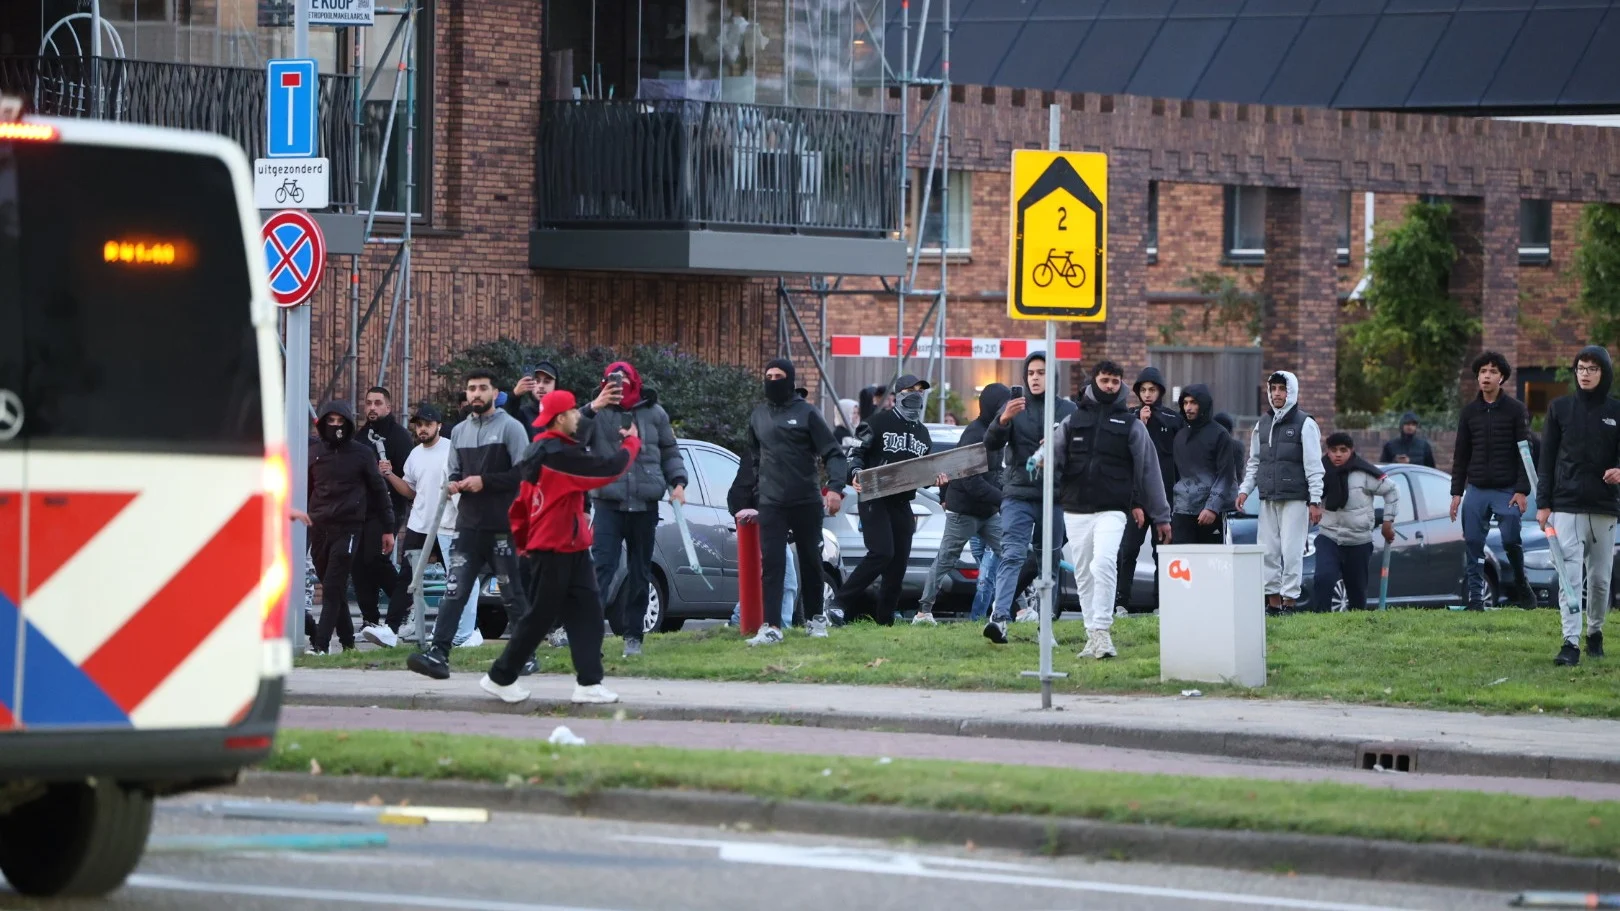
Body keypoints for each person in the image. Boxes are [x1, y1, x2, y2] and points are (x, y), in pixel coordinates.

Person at [481, 391, 640, 705]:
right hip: (555, 545)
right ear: (560, 418)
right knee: (541, 616)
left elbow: (521, 505)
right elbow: (607, 470)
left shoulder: (539, 450)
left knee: (590, 612)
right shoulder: (558, 455)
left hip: (568, 546)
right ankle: (500, 676)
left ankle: (589, 683)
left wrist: (525, 541)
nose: (578, 416)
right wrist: (632, 443)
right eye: (573, 412)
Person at [406, 370, 536, 680]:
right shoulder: (460, 432)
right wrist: (454, 483)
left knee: (511, 592)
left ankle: (525, 654)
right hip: (467, 527)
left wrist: (485, 482)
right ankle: (438, 654)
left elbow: (526, 472)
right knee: (455, 589)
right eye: (471, 388)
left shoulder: (511, 428)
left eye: (482, 388)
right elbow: (453, 469)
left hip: (503, 526)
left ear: (495, 392)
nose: (475, 393)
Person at [1049, 361, 1171, 659]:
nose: (1110, 386)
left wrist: (1161, 515)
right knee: (1083, 571)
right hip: (1076, 508)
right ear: (1095, 381)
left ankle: (1103, 631)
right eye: (1105, 380)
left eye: (1115, 382)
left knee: (1103, 562)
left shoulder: (1131, 424)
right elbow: (1052, 458)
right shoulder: (1073, 420)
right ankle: (1092, 634)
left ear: (1121, 385)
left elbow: (1149, 469)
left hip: (1114, 509)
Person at [727, 358, 849, 645]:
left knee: (810, 561)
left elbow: (833, 452)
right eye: (768, 375)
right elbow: (754, 460)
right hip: (771, 502)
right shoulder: (758, 416)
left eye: (778, 375)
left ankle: (816, 620)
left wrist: (835, 488)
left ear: (790, 379)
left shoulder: (806, 413)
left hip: (805, 499)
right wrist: (753, 496)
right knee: (772, 564)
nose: (772, 380)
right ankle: (771, 627)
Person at [578, 361, 687, 657]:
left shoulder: (655, 413)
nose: (620, 382)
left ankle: (634, 636)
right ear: (604, 382)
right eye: (614, 378)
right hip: (608, 503)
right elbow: (572, 436)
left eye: (625, 377)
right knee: (601, 569)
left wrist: (678, 482)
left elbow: (669, 451)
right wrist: (593, 406)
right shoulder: (597, 411)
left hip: (645, 504)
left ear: (635, 380)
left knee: (640, 572)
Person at [982, 351, 1077, 642]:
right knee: (1011, 554)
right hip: (1017, 495)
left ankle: (1045, 626)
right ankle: (999, 619)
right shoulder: (1014, 406)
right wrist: (1003, 420)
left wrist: (1060, 446)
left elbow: (1081, 451)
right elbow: (991, 443)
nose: (1035, 378)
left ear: (1054, 377)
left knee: (1048, 560)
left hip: (1054, 497)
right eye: (1031, 373)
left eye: (1041, 373)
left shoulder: (1067, 410)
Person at [1536, 346, 1620, 665]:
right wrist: (1543, 505)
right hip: (1566, 505)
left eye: (1592, 369)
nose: (1585, 374)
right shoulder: (1559, 409)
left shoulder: (1617, 411)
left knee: (1599, 581)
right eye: (1581, 368)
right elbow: (1546, 460)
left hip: (1604, 507)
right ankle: (1569, 643)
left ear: (1604, 373)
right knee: (1569, 577)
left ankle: (1594, 633)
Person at [840, 374, 937, 626]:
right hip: (875, 496)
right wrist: (855, 473)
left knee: (898, 566)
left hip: (903, 502)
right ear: (898, 394)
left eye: (920, 390)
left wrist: (938, 481)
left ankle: (884, 623)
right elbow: (855, 453)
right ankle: (838, 604)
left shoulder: (924, 434)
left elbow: (924, 475)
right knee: (882, 552)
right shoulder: (877, 422)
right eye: (911, 389)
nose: (916, 393)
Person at [305, 401, 395, 655]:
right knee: (332, 585)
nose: (335, 426)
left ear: (348, 423)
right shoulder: (313, 453)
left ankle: (321, 645)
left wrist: (388, 528)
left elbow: (379, 491)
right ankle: (347, 643)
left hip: (349, 527)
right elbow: (307, 488)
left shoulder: (362, 453)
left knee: (333, 586)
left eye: (339, 421)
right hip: (319, 526)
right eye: (330, 421)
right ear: (322, 424)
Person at [916, 384, 1009, 625]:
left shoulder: (998, 431)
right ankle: (923, 612)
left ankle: (1016, 609)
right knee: (946, 558)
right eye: (1002, 407)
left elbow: (996, 471)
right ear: (990, 407)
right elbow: (970, 482)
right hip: (964, 512)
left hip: (987, 512)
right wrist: (1003, 499)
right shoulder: (975, 434)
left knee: (1010, 553)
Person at [381, 404, 474, 644]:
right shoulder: (415, 454)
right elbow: (410, 492)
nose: (422, 429)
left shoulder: (450, 449)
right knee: (407, 578)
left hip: (446, 526)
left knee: (456, 579)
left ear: (439, 426)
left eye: (428, 424)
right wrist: (390, 475)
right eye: (419, 425)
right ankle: (390, 630)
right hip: (419, 525)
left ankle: (466, 632)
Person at [1450, 351, 1533, 611]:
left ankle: (1521, 582)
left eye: (1492, 372)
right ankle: (1475, 599)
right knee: (1473, 543)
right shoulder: (1469, 412)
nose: (1486, 376)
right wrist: (1456, 494)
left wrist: (1522, 490)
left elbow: (1525, 451)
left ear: (1502, 378)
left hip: (1506, 488)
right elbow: (1460, 454)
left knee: (1510, 538)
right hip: (1476, 488)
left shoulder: (1516, 410)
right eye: (1483, 371)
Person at [1236, 371, 1324, 615]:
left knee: (1292, 550)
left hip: (1295, 498)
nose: (1277, 393)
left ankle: (1290, 602)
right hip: (1268, 497)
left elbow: (1314, 466)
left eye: (1282, 389)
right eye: (1273, 388)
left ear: (1291, 391)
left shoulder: (1306, 424)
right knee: (1267, 550)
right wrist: (1245, 490)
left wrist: (1315, 499)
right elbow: (1254, 462)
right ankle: (1273, 603)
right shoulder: (1261, 424)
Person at [1115, 366, 1184, 613]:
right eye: (1143, 390)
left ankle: (1160, 602)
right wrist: (1140, 423)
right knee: (1129, 549)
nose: (1147, 394)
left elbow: (1178, 460)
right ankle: (1121, 602)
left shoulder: (1174, 420)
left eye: (1152, 390)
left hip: (1164, 497)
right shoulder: (1130, 418)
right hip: (1135, 497)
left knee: (1161, 552)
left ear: (1160, 391)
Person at [352, 386, 413, 648]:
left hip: (389, 506)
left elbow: (410, 476)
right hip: (361, 509)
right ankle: (369, 620)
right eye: (368, 403)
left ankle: (405, 605)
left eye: (378, 403)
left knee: (375, 557)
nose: (372, 408)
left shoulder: (399, 437)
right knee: (358, 563)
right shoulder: (360, 436)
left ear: (388, 407)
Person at [1315, 433, 1398, 612]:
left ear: (1351, 451)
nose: (1338, 455)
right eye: (1333, 450)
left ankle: (1357, 628)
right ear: (1327, 451)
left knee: (1357, 591)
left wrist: (1387, 523)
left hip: (1359, 541)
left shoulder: (1364, 472)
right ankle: (1318, 622)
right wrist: (1311, 505)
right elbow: (1304, 493)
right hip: (1329, 536)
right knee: (1323, 579)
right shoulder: (1318, 472)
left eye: (1343, 450)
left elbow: (1391, 491)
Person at [1170, 384, 1236, 545]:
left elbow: (1226, 475)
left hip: (1210, 514)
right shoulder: (1179, 435)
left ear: (1204, 404)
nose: (1188, 407)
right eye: (1185, 403)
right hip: (1182, 512)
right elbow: (1175, 474)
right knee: (1183, 565)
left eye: (1193, 402)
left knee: (1210, 566)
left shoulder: (1220, 434)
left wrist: (1212, 507)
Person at [503, 360, 559, 429]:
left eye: (547, 382)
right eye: (537, 381)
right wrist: (514, 395)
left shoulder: (562, 416)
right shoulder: (523, 414)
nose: (541, 386)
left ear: (555, 385)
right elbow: (505, 423)